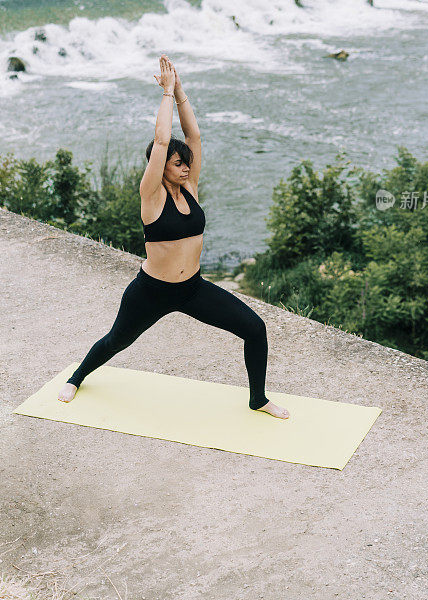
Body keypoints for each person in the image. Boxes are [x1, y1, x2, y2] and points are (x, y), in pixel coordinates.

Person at [57, 54, 290, 419]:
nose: (186, 167)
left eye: (188, 163)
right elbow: (162, 139)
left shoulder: (191, 187)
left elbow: (192, 135)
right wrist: (165, 93)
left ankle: (258, 399)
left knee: (255, 328)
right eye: (178, 163)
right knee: (117, 340)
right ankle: (76, 377)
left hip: (193, 289)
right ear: (161, 166)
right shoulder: (151, 194)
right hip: (151, 291)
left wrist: (180, 90)